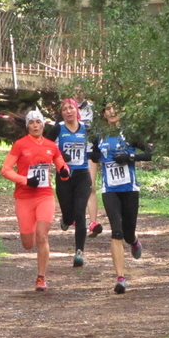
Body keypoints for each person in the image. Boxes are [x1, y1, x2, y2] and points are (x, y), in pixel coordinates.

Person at [0, 109, 70, 291]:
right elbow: (6, 169)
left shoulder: (51, 146)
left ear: (43, 125)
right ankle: (29, 238)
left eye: (38, 122)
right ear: (28, 126)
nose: (35, 125)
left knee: (42, 235)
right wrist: (25, 180)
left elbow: (62, 166)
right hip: (24, 197)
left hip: (44, 195)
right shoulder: (20, 145)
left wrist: (64, 172)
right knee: (28, 243)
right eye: (31, 123)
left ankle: (41, 277)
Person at [90, 103, 154, 294]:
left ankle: (133, 241)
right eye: (108, 108)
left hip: (129, 188)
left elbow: (149, 154)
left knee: (127, 232)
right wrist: (93, 155)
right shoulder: (98, 135)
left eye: (115, 108)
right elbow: (92, 155)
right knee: (116, 232)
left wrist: (130, 156)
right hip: (109, 189)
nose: (112, 111)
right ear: (103, 113)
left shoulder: (130, 133)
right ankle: (120, 278)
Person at [45, 98, 92, 267]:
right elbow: (46, 146)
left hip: (82, 176)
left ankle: (79, 252)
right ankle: (66, 219)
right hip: (64, 176)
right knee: (69, 214)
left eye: (71, 108)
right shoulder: (58, 128)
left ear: (76, 110)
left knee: (80, 213)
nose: (68, 111)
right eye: (64, 109)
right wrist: (60, 157)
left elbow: (95, 148)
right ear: (61, 113)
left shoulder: (86, 129)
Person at [73, 86, 103, 238]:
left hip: (89, 151)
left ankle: (93, 223)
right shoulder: (67, 108)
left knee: (91, 186)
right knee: (74, 188)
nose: (78, 93)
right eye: (75, 90)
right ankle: (74, 218)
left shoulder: (92, 109)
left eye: (81, 89)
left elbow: (98, 131)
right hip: (72, 153)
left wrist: (97, 152)